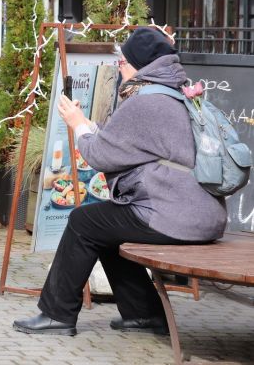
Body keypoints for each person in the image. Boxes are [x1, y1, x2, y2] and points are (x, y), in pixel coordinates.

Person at [13, 27, 226, 336]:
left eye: (122, 61)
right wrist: (87, 125)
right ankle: (144, 314)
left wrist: (77, 126)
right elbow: (125, 143)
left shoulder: (145, 101)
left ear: (139, 65)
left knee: (84, 221)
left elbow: (100, 155)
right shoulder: (174, 92)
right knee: (106, 226)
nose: (118, 67)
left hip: (174, 214)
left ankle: (56, 315)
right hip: (201, 213)